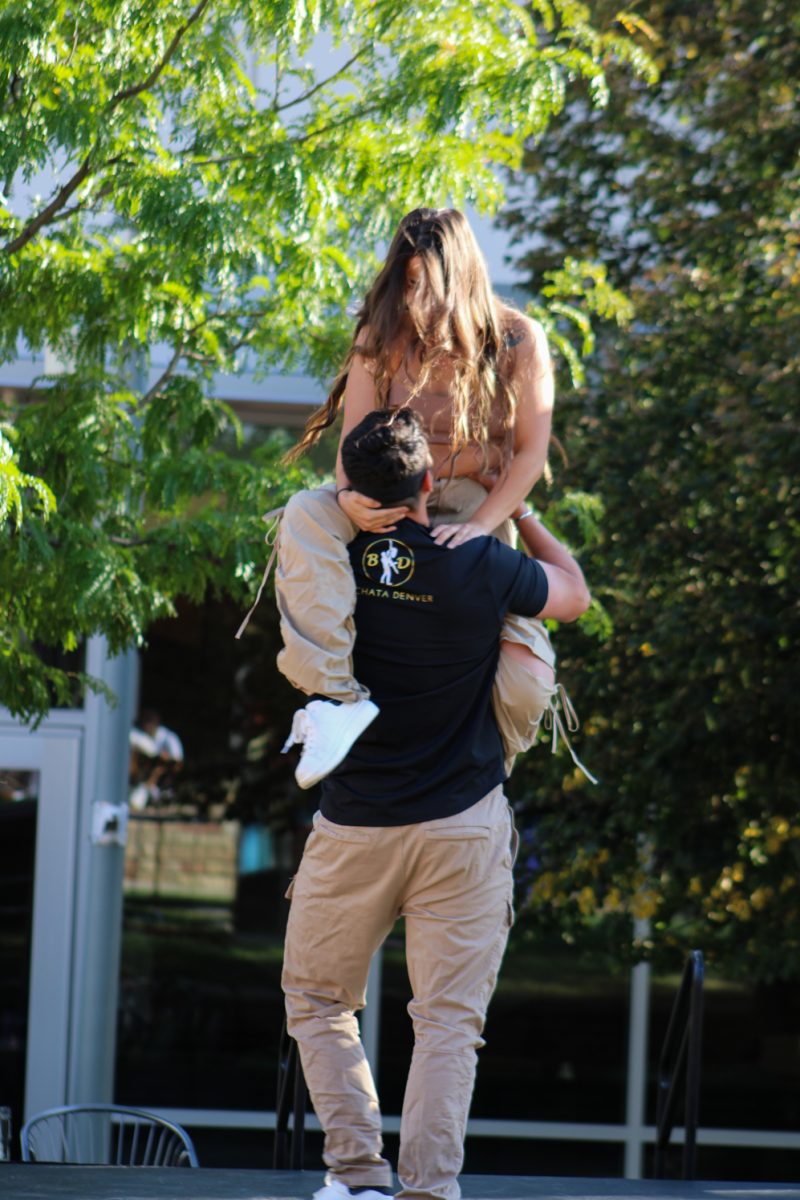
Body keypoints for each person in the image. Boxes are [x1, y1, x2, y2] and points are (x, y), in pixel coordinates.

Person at [282, 408, 590, 1200]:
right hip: (462, 824)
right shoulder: (480, 561)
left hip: (355, 826)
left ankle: (357, 1179)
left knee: (317, 1001)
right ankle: (428, 1189)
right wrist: (516, 510)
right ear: (428, 482)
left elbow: (313, 531)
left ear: (351, 486)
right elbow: (574, 595)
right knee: (449, 1021)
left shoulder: (330, 552)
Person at [273, 207, 567, 789]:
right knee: (304, 512)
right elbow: (352, 442)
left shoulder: (518, 338)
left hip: (476, 504)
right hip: (387, 492)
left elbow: (531, 454)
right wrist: (348, 496)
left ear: (462, 276)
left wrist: (483, 525)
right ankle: (335, 699)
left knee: (527, 681)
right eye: (407, 282)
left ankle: (493, 762)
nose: (416, 299)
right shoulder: (380, 336)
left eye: (427, 284)